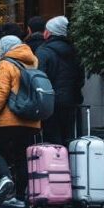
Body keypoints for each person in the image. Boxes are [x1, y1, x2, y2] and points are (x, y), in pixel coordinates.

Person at [0, 35, 41, 208]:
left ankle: (5, 178)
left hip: (9, 117)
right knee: (22, 157)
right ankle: (19, 197)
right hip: (31, 118)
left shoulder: (5, 63)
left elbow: (2, 92)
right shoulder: (33, 61)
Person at [36, 16, 84, 145]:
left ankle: (56, 164)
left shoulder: (43, 51)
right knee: (68, 137)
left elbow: (39, 77)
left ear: (49, 32)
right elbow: (80, 77)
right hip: (70, 100)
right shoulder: (75, 51)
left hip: (50, 102)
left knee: (52, 139)